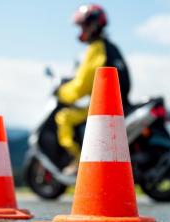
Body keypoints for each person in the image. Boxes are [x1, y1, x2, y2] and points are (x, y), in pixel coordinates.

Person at [56, 4, 131, 175]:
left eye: (83, 25)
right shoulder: (111, 47)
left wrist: (61, 93)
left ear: (94, 25)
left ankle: (77, 161)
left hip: (104, 107)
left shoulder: (96, 49)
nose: (81, 30)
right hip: (120, 104)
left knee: (64, 118)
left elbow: (81, 85)